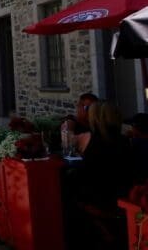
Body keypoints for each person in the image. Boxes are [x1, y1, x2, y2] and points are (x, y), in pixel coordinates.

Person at [66, 102, 133, 249]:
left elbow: (67, 143)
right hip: (120, 196)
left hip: (95, 198)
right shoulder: (126, 141)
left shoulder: (86, 138)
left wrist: (69, 126)